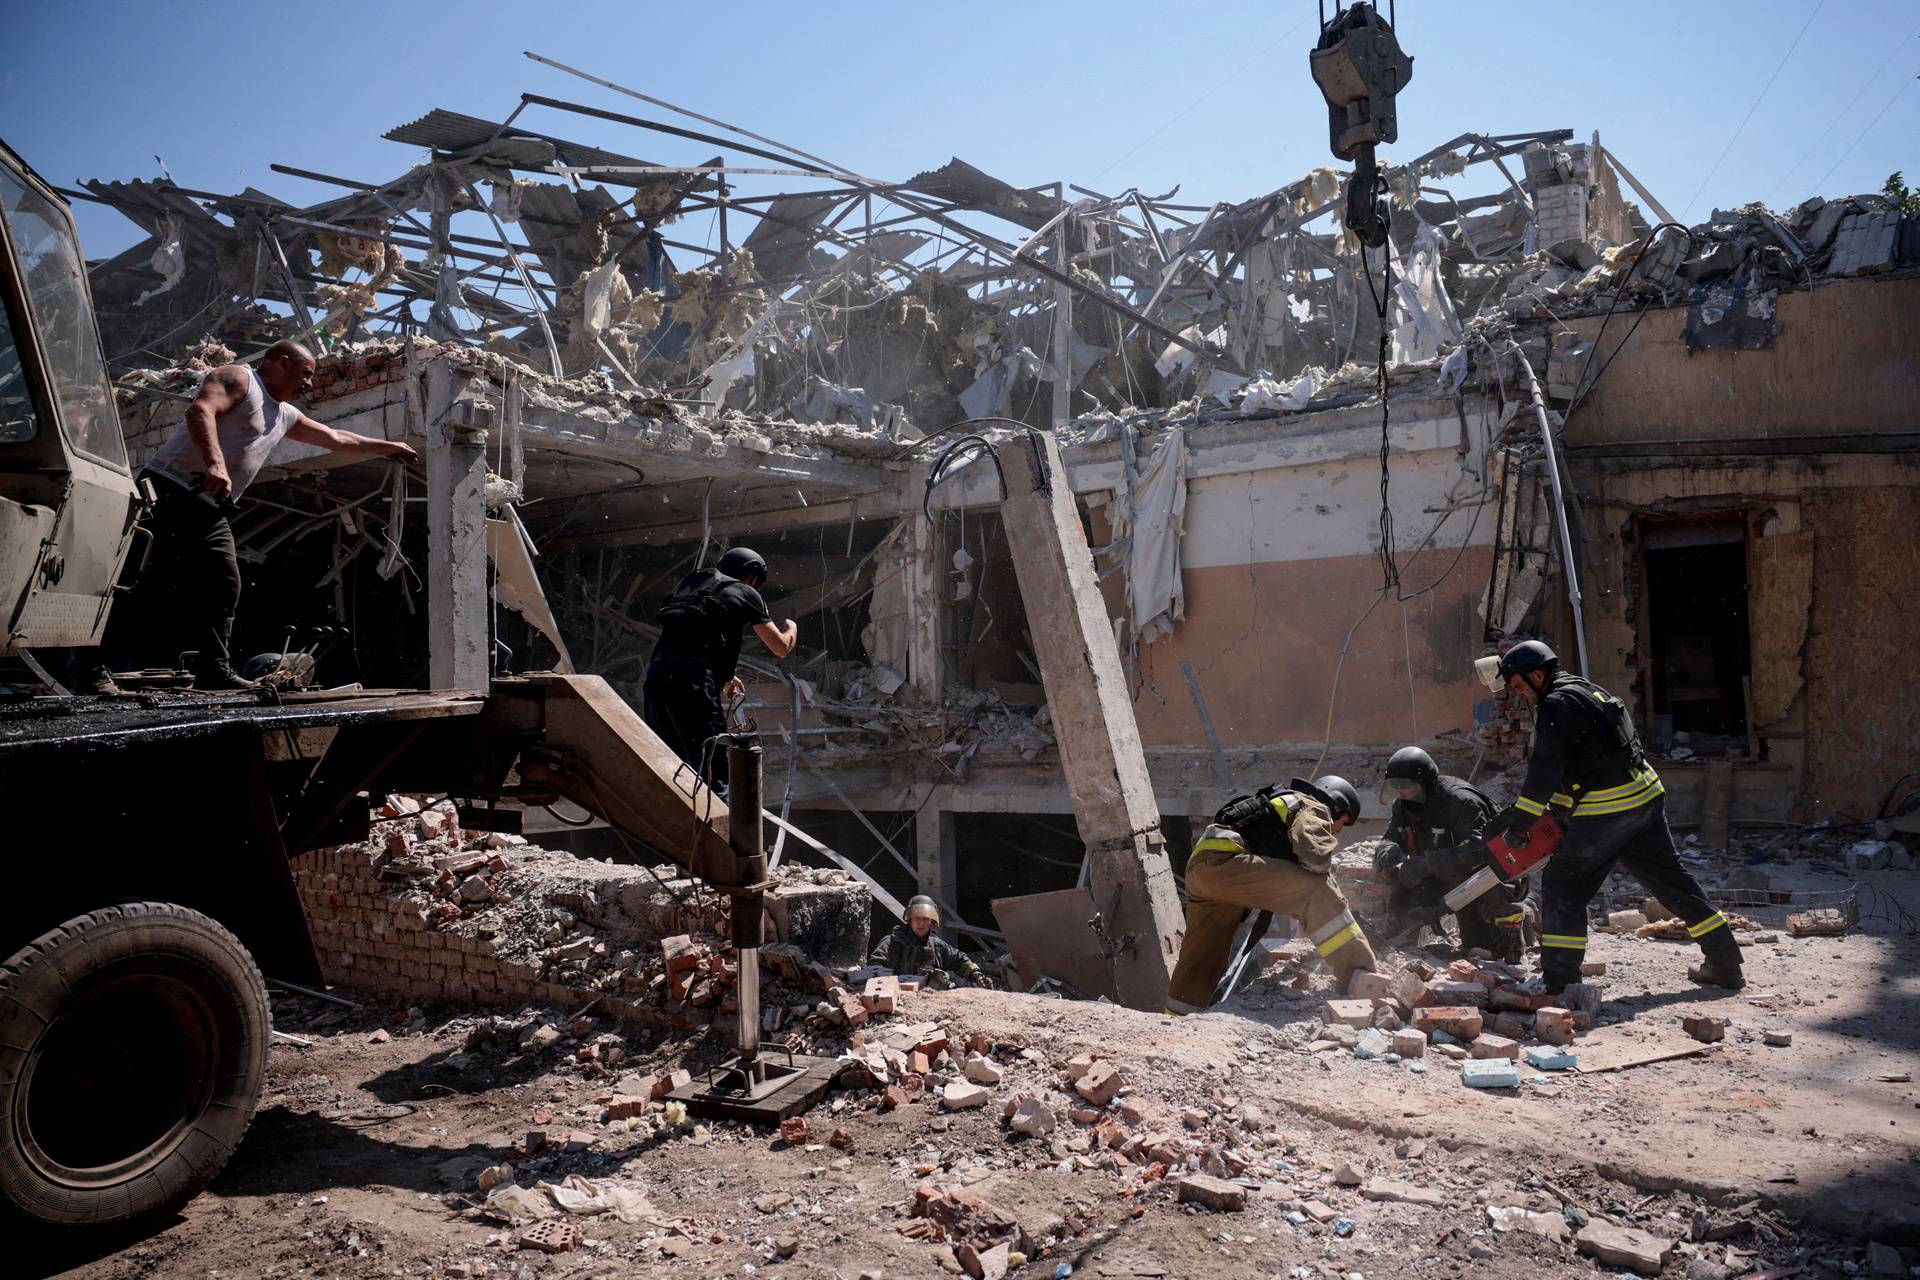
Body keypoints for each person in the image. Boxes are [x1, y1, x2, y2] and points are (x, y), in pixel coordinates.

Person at [93, 340, 416, 690]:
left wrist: (388, 447)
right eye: (306, 375)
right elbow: (200, 412)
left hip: (210, 507)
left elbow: (336, 437)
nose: (309, 384)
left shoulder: (285, 414)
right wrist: (215, 464)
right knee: (140, 584)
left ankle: (214, 669)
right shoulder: (239, 379)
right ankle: (93, 669)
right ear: (281, 363)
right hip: (169, 491)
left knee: (224, 581)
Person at [1488, 640, 1743, 993]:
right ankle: (1726, 964)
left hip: (1609, 807)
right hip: (1645, 795)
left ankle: (1561, 982)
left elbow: (1545, 771)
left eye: (1518, 686)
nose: (1519, 695)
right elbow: (1589, 757)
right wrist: (1560, 812)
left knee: (1564, 885)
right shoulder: (1585, 689)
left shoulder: (1555, 705)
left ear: (1536, 674)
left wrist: (1520, 826)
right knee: (1674, 884)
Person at [1166, 774, 1378, 1012]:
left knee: (1203, 958)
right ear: (1336, 807)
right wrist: (1321, 903)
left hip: (1202, 869)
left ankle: (1176, 1020)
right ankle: (1361, 975)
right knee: (1315, 891)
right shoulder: (1312, 804)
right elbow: (1314, 856)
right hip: (1228, 862)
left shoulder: (1280, 802)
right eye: (1342, 823)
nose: (1336, 831)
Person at [641, 546, 796, 779]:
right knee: (713, 770)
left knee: (671, 766)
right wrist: (791, 629)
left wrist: (724, 676)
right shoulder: (744, 590)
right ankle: (719, 813)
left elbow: (693, 637)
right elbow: (780, 647)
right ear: (753, 577)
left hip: (656, 679)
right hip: (692, 683)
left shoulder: (691, 586)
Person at [1375, 746, 1534, 962]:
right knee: (1403, 894)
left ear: (1426, 783)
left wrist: (1427, 863)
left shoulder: (1461, 801)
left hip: (1482, 880)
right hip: (1443, 878)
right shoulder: (1404, 805)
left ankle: (1531, 911)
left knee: (1484, 951)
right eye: (1397, 786)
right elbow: (1391, 836)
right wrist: (1387, 850)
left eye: (1406, 786)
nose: (1401, 792)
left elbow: (1480, 851)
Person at [869, 896, 992, 988]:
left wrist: (975, 974)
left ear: (931, 921)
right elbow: (874, 970)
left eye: (926, 919)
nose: (921, 923)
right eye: (917, 918)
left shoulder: (937, 945)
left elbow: (959, 959)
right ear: (910, 919)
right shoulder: (892, 943)